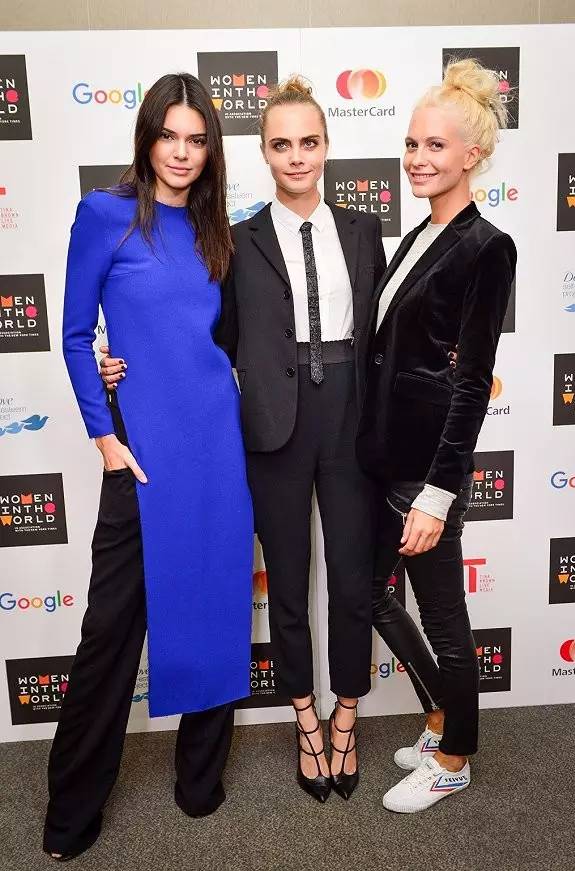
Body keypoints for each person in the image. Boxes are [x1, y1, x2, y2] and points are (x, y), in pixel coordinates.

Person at [101, 76, 387, 803]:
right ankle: (304, 719)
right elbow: (208, 337)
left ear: (327, 146)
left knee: (352, 582)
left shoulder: (363, 232)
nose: (297, 156)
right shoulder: (234, 239)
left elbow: (385, 338)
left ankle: (346, 716)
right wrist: (119, 361)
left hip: (351, 422)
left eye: (309, 142)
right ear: (263, 152)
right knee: (287, 584)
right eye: (282, 144)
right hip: (271, 426)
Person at [44, 73, 253, 860]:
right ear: (147, 136)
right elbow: (74, 334)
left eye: (197, 140)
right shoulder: (105, 214)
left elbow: (222, 341)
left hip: (217, 446)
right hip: (141, 451)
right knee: (110, 630)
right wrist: (105, 434)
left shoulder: (214, 228)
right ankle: (71, 814)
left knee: (217, 604)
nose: (183, 152)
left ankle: (200, 783)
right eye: (170, 135)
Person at [357, 58, 517, 813]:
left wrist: (437, 494)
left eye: (435, 146)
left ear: (472, 155)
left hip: (426, 472)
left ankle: (454, 759)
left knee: (446, 622)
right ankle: (439, 719)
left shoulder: (488, 246)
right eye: (412, 144)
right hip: (383, 457)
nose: (418, 159)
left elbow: (470, 381)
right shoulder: (420, 232)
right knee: (371, 597)